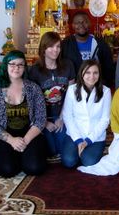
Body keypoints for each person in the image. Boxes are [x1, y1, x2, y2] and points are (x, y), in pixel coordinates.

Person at [0, 50, 47, 177]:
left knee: (35, 168)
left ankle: (23, 155)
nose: (16, 68)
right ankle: (13, 155)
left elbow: (41, 119)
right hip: (5, 135)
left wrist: (25, 141)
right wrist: (12, 140)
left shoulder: (33, 88)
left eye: (20, 65)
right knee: (7, 170)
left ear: (24, 67)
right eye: (12, 64)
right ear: (5, 66)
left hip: (29, 134)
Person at [28, 31, 75, 159]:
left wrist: (62, 117)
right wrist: (44, 122)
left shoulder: (67, 65)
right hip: (42, 117)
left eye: (58, 46)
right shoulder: (34, 71)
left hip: (62, 114)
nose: (55, 50)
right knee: (51, 151)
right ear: (43, 49)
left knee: (61, 149)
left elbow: (71, 94)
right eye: (51, 46)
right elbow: (31, 101)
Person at [61, 60, 111, 168]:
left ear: (99, 74)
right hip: (75, 133)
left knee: (88, 162)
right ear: (81, 73)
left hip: (95, 136)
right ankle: (77, 151)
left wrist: (88, 141)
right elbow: (67, 116)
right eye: (88, 72)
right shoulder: (72, 90)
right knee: (68, 162)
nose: (91, 76)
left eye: (95, 73)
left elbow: (105, 119)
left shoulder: (106, 91)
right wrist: (79, 140)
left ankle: (85, 153)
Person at [61, 11, 114, 87]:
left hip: (96, 88)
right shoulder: (65, 44)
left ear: (89, 24)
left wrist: (102, 87)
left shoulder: (100, 44)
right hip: (74, 89)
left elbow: (108, 69)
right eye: (77, 23)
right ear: (72, 25)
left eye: (84, 22)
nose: (81, 25)